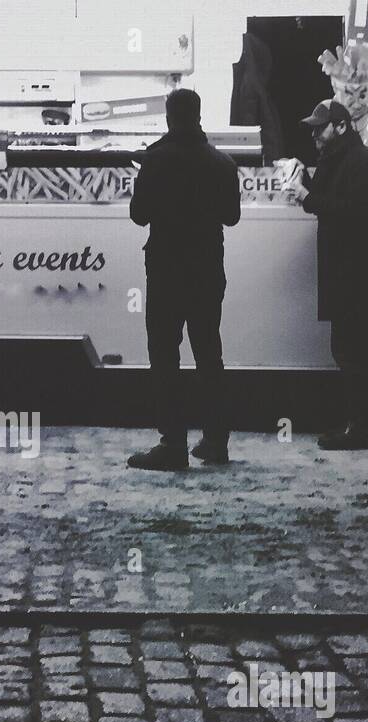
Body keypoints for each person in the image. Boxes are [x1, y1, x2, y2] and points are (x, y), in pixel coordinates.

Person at [127, 87, 241, 471]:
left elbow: (139, 215)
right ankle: (216, 441)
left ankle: (173, 444)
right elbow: (231, 216)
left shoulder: (155, 160)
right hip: (208, 270)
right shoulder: (222, 163)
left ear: (168, 117)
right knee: (210, 354)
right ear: (198, 114)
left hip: (166, 272)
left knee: (165, 355)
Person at [285, 98, 368, 450]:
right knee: (352, 349)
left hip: (355, 273)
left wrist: (306, 196)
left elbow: (354, 213)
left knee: (354, 350)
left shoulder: (363, 164)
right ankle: (360, 424)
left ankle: (362, 427)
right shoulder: (341, 161)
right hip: (348, 272)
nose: (315, 133)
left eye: (321, 126)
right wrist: (302, 181)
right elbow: (329, 201)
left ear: (342, 126)